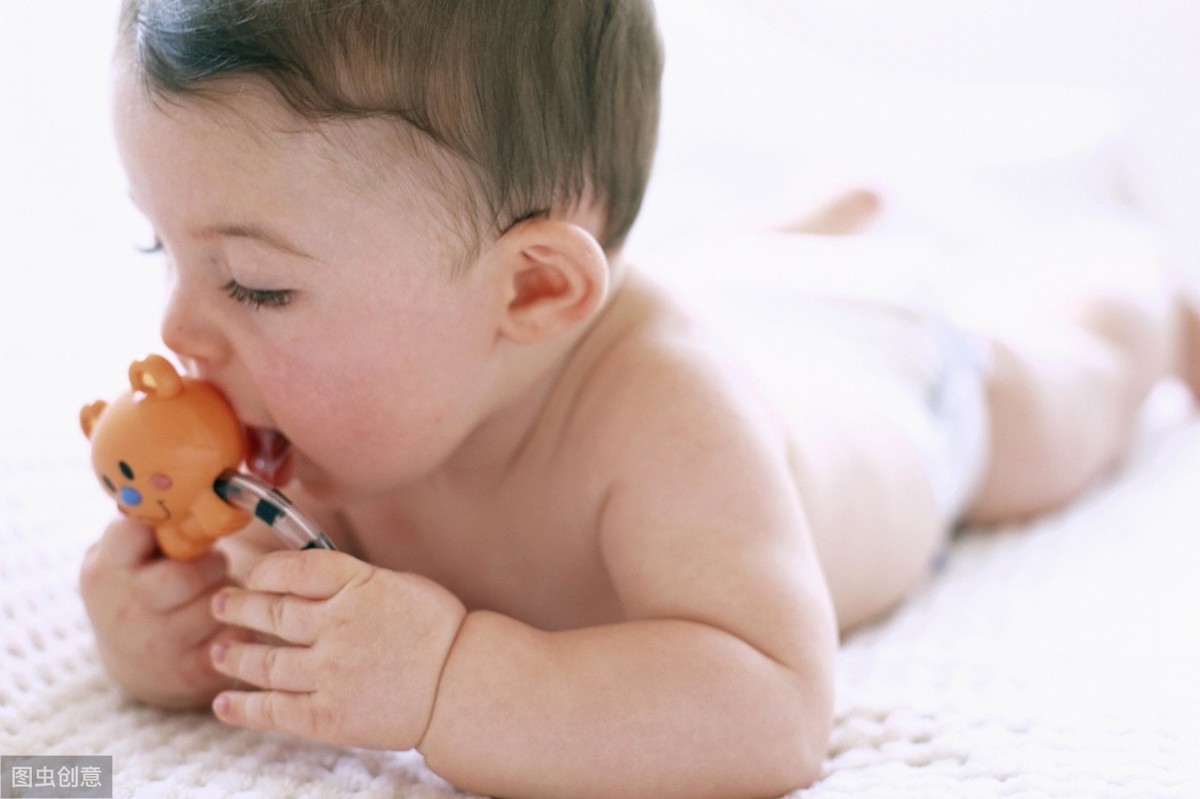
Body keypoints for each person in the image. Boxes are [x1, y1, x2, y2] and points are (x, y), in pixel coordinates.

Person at [80, 1, 1200, 797]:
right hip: (718, 301)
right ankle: (798, 228)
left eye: (257, 284)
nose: (179, 329)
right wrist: (164, 631)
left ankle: (1139, 294)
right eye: (158, 244)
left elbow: (771, 709)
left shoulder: (668, 423)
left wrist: (452, 678)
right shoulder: (332, 422)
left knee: (1060, 393)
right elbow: (271, 600)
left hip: (896, 381)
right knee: (720, 280)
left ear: (531, 288)